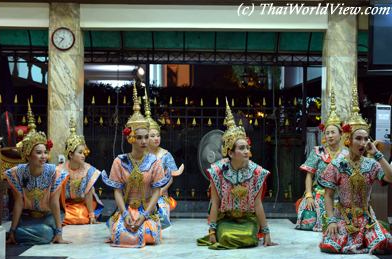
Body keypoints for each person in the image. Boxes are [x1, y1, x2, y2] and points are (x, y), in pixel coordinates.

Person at [319, 80, 392, 254]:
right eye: (358, 138)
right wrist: (331, 220)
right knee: (330, 246)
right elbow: (328, 196)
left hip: (366, 218)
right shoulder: (338, 164)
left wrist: (377, 154)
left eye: (366, 138)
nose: (363, 142)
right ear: (348, 140)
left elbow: (390, 178)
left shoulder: (372, 164)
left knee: (384, 244)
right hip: (343, 217)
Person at [197, 98, 277, 249]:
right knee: (226, 236)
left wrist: (266, 232)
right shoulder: (218, 171)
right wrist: (212, 231)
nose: (247, 151)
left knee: (249, 238)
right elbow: (215, 202)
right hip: (226, 219)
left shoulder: (257, 172)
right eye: (241, 148)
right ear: (230, 153)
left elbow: (258, 204)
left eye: (247, 147)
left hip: (248, 219)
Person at [102, 83, 168, 248]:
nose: (144, 141)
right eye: (139, 138)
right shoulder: (120, 161)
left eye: (146, 137)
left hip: (147, 212)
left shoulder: (155, 162)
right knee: (121, 234)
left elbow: (157, 192)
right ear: (130, 138)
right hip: (126, 210)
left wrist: (144, 215)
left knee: (148, 234)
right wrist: (124, 214)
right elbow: (117, 191)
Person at [5, 102, 69, 245]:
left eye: (45, 152)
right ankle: (16, 233)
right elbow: (19, 203)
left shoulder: (54, 172)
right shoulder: (18, 172)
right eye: (38, 153)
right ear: (28, 155)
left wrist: (59, 233)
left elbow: (54, 203)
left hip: (48, 217)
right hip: (27, 218)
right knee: (25, 232)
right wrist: (13, 230)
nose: (43, 156)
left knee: (46, 233)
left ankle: (43, 233)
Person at [296, 88, 348, 231]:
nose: (330, 136)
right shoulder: (318, 151)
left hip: (340, 196)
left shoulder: (346, 154)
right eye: (327, 133)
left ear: (340, 134)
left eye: (333, 132)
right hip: (318, 193)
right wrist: (308, 195)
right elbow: (309, 175)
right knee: (307, 221)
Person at [144, 88, 184, 229]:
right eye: (152, 136)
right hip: (142, 196)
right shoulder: (140, 155)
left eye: (158, 135)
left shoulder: (166, 155)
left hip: (161, 195)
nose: (156, 138)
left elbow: (171, 177)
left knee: (161, 219)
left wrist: (161, 190)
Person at [59, 118, 103, 225]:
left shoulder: (88, 170)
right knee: (64, 217)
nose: (83, 155)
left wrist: (92, 215)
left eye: (84, 153)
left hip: (83, 205)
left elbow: (88, 194)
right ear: (70, 154)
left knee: (81, 217)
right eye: (80, 152)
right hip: (66, 206)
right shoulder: (60, 170)